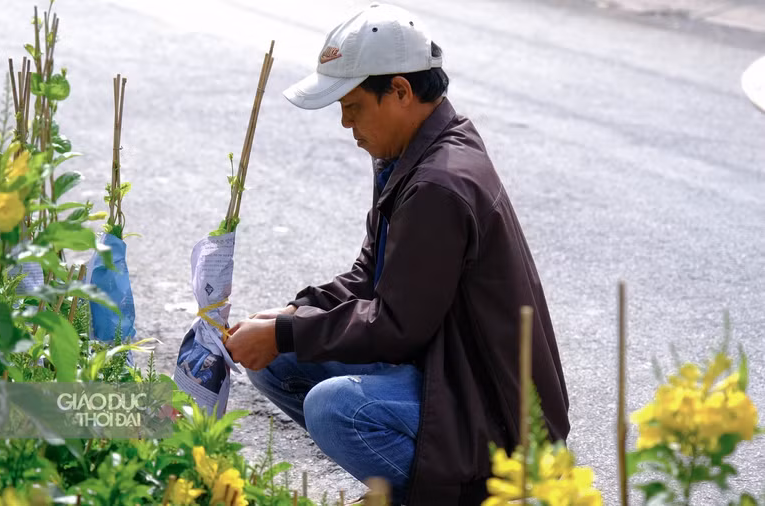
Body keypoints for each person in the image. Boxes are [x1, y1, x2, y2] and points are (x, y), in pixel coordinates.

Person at [225, 3, 569, 505]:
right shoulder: (410, 153)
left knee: (333, 407)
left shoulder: (439, 183)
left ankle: (454, 493)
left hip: (495, 416)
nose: (345, 123)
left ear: (401, 92)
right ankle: (417, 478)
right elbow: (373, 272)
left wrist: (285, 332)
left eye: (353, 105)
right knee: (275, 361)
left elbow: (395, 326)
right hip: (445, 369)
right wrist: (295, 312)